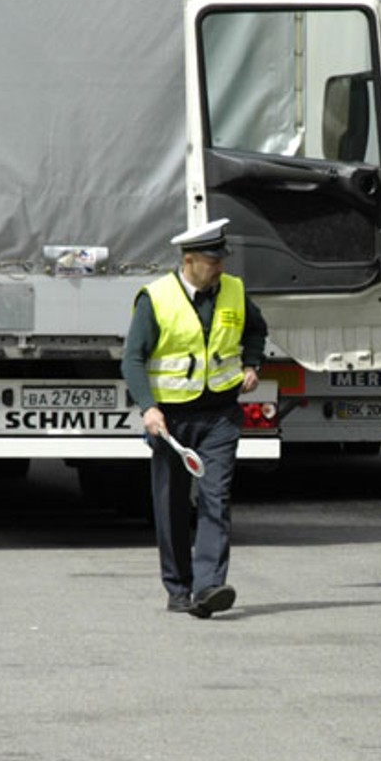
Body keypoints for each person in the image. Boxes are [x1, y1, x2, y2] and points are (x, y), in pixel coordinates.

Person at [121, 218, 267, 617]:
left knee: (215, 497)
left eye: (222, 259)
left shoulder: (234, 291)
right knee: (171, 504)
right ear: (189, 260)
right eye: (211, 260)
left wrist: (252, 364)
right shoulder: (157, 298)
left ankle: (209, 588)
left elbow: (257, 330)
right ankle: (179, 587)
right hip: (172, 420)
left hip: (220, 414)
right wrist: (148, 407)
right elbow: (132, 358)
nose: (220, 267)